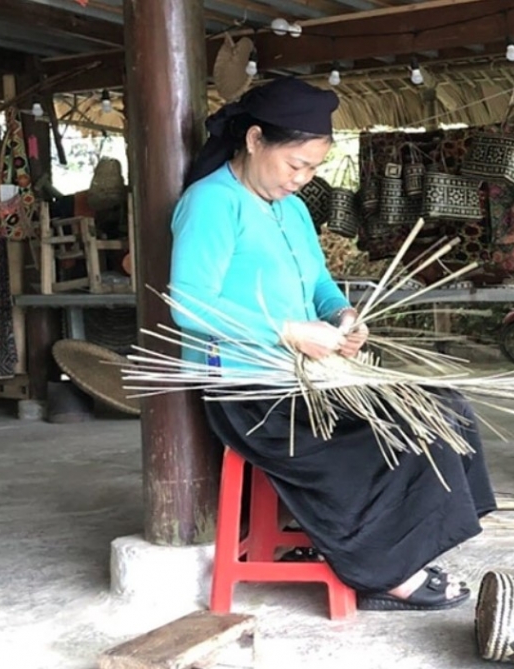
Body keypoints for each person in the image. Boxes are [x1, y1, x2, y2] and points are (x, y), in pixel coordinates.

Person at [169, 76, 495, 611]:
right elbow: (188, 304)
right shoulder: (211, 204)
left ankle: (409, 548)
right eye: (295, 164)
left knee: (443, 407)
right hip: (252, 390)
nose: (302, 179)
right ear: (254, 140)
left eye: (313, 169)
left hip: (310, 377)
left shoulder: (292, 209)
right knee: (396, 433)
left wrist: (342, 315)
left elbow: (319, 282)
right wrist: (287, 331)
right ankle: (386, 572)